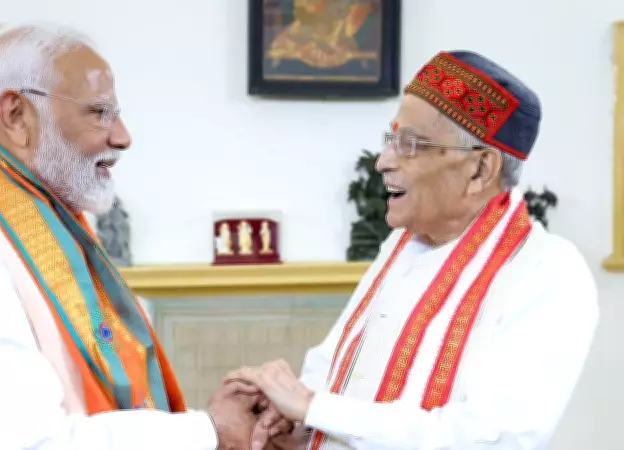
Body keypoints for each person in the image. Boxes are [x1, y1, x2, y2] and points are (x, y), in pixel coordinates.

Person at [0, 22, 284, 449]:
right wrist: (209, 431)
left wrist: (214, 424)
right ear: (16, 116)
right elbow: (30, 444)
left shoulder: (56, 225)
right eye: (99, 112)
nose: (122, 137)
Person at [227, 50, 600, 450]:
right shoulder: (402, 243)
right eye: (391, 139)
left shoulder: (549, 270)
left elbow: (492, 436)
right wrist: (291, 421)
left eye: (409, 144)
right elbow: (334, 370)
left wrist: (314, 407)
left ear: (480, 170)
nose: (383, 162)